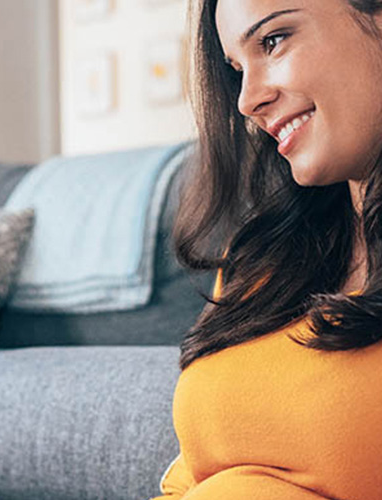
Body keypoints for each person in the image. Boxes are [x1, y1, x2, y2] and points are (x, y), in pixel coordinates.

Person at [153, 0, 382, 498]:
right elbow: (189, 476)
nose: (246, 100)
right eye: (237, 70)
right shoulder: (258, 259)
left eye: (273, 41)